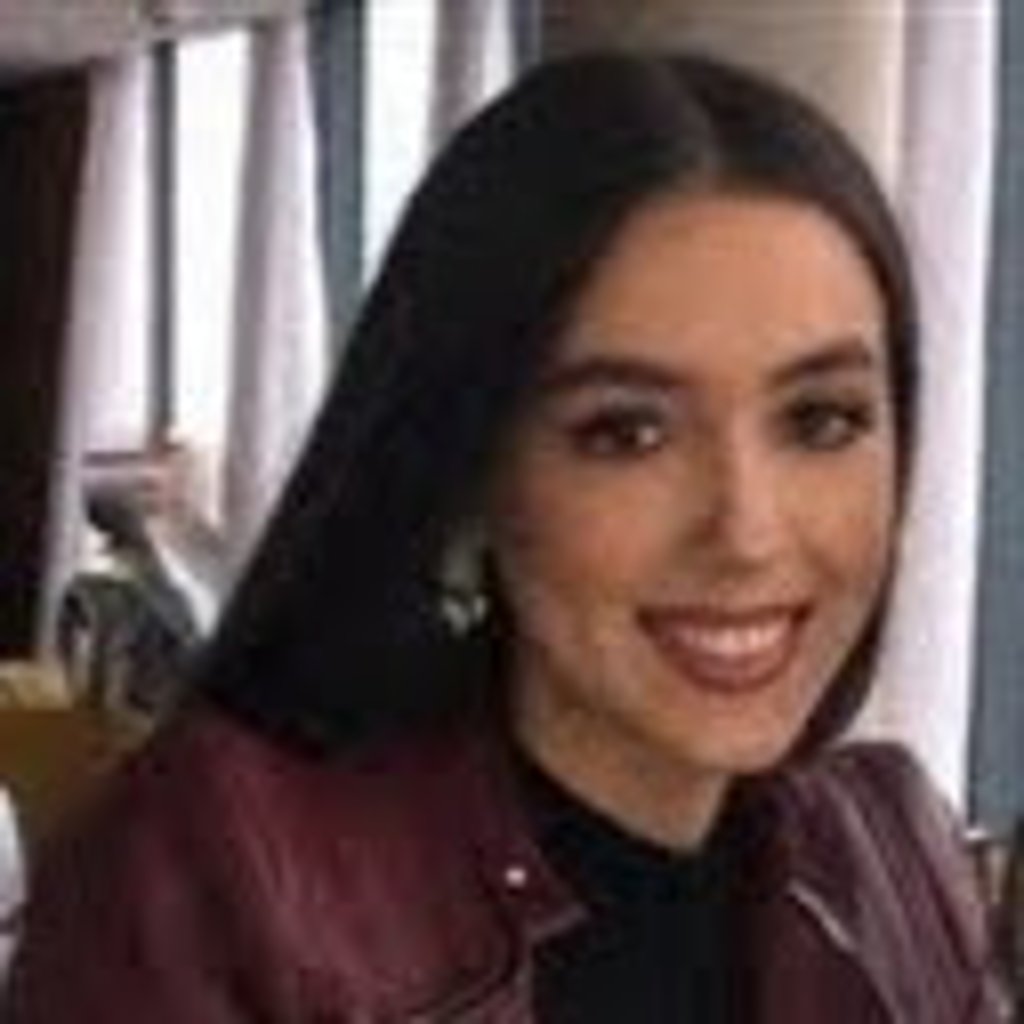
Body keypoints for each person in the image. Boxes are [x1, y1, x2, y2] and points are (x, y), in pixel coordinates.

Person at [2, 51, 1008, 1022]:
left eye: (820, 420)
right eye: (627, 432)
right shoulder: (222, 879)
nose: (746, 530)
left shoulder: (885, 856)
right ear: (472, 464)